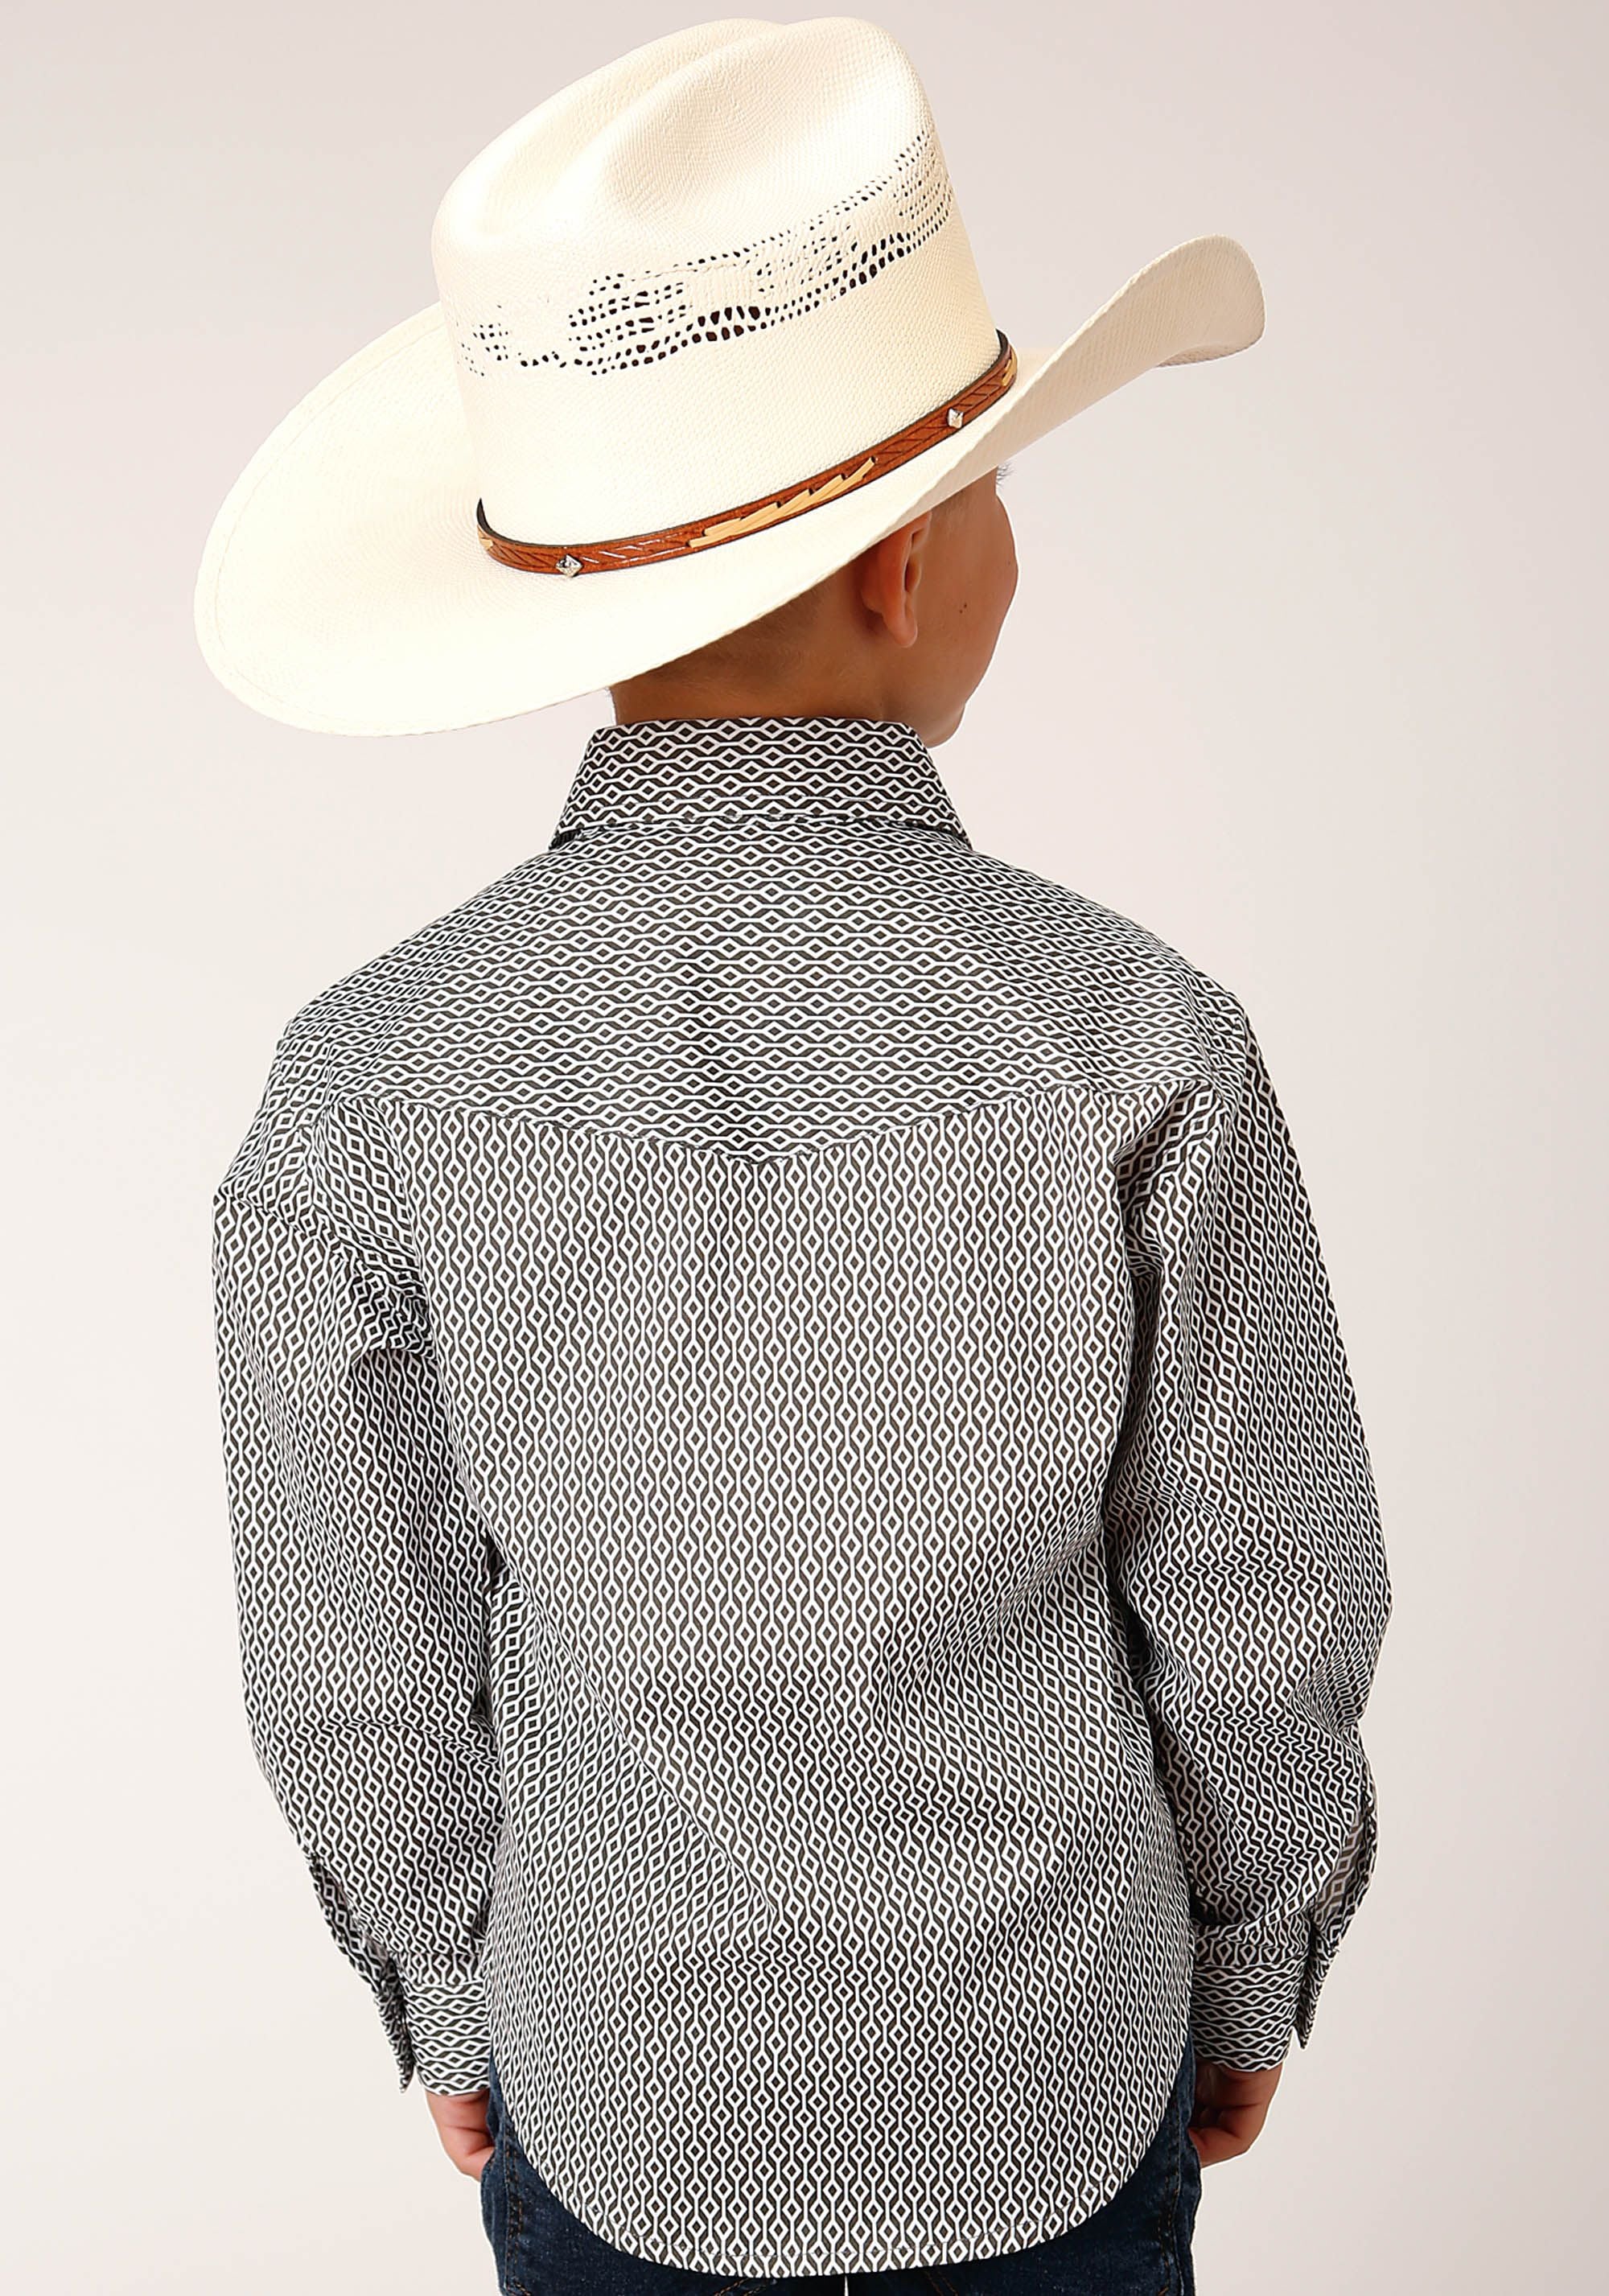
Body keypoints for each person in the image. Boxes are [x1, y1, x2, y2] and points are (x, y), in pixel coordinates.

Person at [199, 22, 1391, 2296]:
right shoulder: (1135, 1032)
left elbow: (351, 1642)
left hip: (622, 2093)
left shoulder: (365, 1079)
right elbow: (1262, 1585)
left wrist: (449, 1989)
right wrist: (1254, 1966)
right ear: (909, 567)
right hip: (1053, 2075)